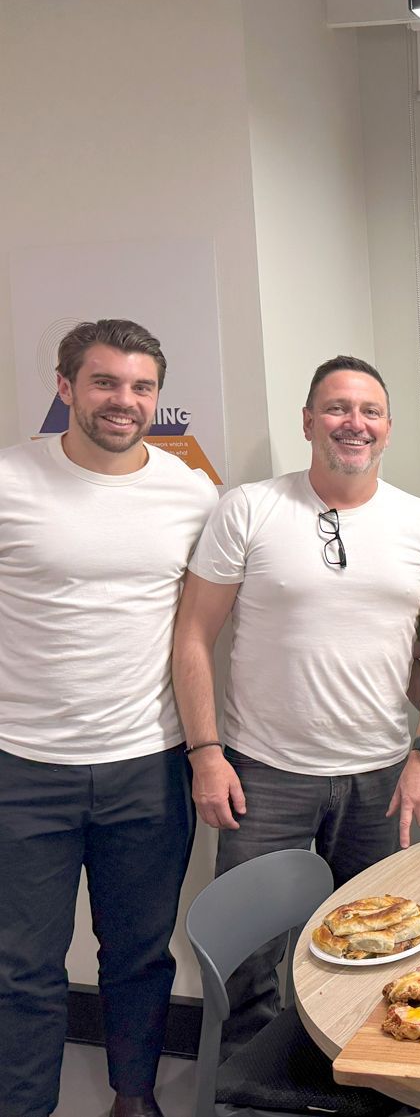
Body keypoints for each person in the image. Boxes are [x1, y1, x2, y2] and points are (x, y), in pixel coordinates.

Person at [172, 355, 420, 1048]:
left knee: (391, 937)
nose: (353, 423)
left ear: (388, 428)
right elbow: (192, 635)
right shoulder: (249, 507)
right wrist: (205, 754)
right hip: (264, 774)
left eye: (369, 411)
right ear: (308, 421)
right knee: (251, 957)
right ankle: (248, 1085)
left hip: (384, 777)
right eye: (337, 408)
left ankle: (373, 1073)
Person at [0, 320, 217, 1117]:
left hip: (146, 763)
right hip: (23, 768)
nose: (123, 401)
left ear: (157, 396)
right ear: (66, 387)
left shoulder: (191, 491)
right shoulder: (10, 479)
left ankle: (134, 1095)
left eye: (140, 386)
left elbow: (206, 620)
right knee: (21, 966)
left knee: (138, 954)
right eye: (104, 383)